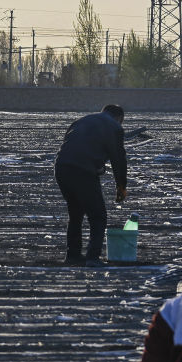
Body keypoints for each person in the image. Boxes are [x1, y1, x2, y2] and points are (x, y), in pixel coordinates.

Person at [54, 104, 128, 267]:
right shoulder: (114, 127)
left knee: (76, 213)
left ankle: (73, 255)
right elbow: (118, 159)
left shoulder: (82, 121)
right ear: (119, 118)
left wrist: (97, 165)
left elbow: (75, 147)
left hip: (61, 168)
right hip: (83, 171)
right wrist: (121, 187)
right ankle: (93, 258)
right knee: (98, 215)